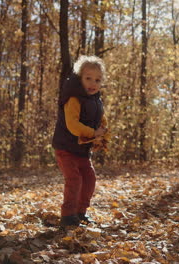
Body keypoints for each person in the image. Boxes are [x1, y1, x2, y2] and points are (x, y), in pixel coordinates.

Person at [52, 55, 109, 227]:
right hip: (65, 148)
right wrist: (93, 133)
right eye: (88, 78)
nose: (93, 83)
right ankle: (68, 216)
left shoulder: (96, 100)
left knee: (89, 179)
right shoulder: (74, 99)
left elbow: (103, 121)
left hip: (82, 150)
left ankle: (80, 212)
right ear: (80, 78)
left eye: (97, 80)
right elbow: (72, 125)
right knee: (74, 180)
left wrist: (103, 135)